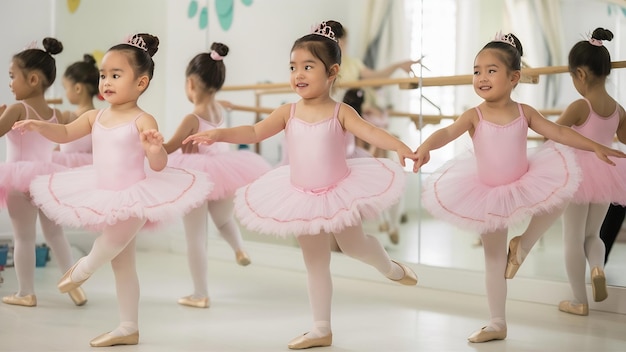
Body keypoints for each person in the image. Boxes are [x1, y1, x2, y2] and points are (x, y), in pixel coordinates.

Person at [183, 22, 419, 350]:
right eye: (293, 67)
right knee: (315, 262)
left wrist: (400, 147)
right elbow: (253, 133)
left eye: (308, 66)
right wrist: (218, 133)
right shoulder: (287, 111)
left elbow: (371, 133)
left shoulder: (341, 111)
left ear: (332, 71)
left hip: (338, 192)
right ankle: (321, 328)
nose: (298, 74)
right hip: (301, 195)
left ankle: (389, 267)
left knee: (354, 247)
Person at [413, 32, 626, 343]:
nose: (481, 77)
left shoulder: (524, 112)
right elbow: (447, 132)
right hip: (487, 191)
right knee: (494, 259)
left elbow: (559, 132)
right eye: (477, 71)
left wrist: (594, 146)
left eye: (491, 70)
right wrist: (425, 147)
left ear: (514, 77)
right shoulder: (474, 115)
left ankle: (523, 244)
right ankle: (497, 321)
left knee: (560, 195)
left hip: (526, 180)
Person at [13, 33, 212, 347]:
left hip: (134, 195)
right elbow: (65, 133)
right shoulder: (95, 116)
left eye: (116, 75)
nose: (106, 81)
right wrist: (40, 126)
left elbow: (158, 165)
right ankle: (128, 327)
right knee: (122, 263)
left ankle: (86, 267)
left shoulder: (142, 118)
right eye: (103, 75)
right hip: (104, 194)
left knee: (111, 243)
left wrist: (155, 148)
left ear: (141, 83)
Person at [163, 42, 272, 308]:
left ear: (190, 83)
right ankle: (239, 248)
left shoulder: (192, 117)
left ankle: (200, 294)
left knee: (195, 237)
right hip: (224, 170)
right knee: (223, 219)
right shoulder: (219, 109)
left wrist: (146, 145)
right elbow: (219, 107)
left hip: (196, 175)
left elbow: (169, 148)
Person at [0, 37, 87, 308]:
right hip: (48, 179)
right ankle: (75, 286)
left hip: (19, 178)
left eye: (13, 77)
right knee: (55, 234)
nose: (10, 83)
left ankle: (26, 292)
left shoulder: (17, 108)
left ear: (34, 79)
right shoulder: (56, 114)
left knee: (24, 236)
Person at [551, 28, 626, 316]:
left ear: (580, 74)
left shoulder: (580, 105)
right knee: (593, 235)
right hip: (609, 174)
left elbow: (554, 133)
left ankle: (578, 301)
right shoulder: (617, 108)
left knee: (571, 236)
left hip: (580, 176)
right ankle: (597, 268)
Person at [52, 54, 100, 168]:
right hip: (91, 169)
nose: (65, 93)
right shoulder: (100, 117)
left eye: (66, 88)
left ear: (78, 88)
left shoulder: (68, 117)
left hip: (67, 170)